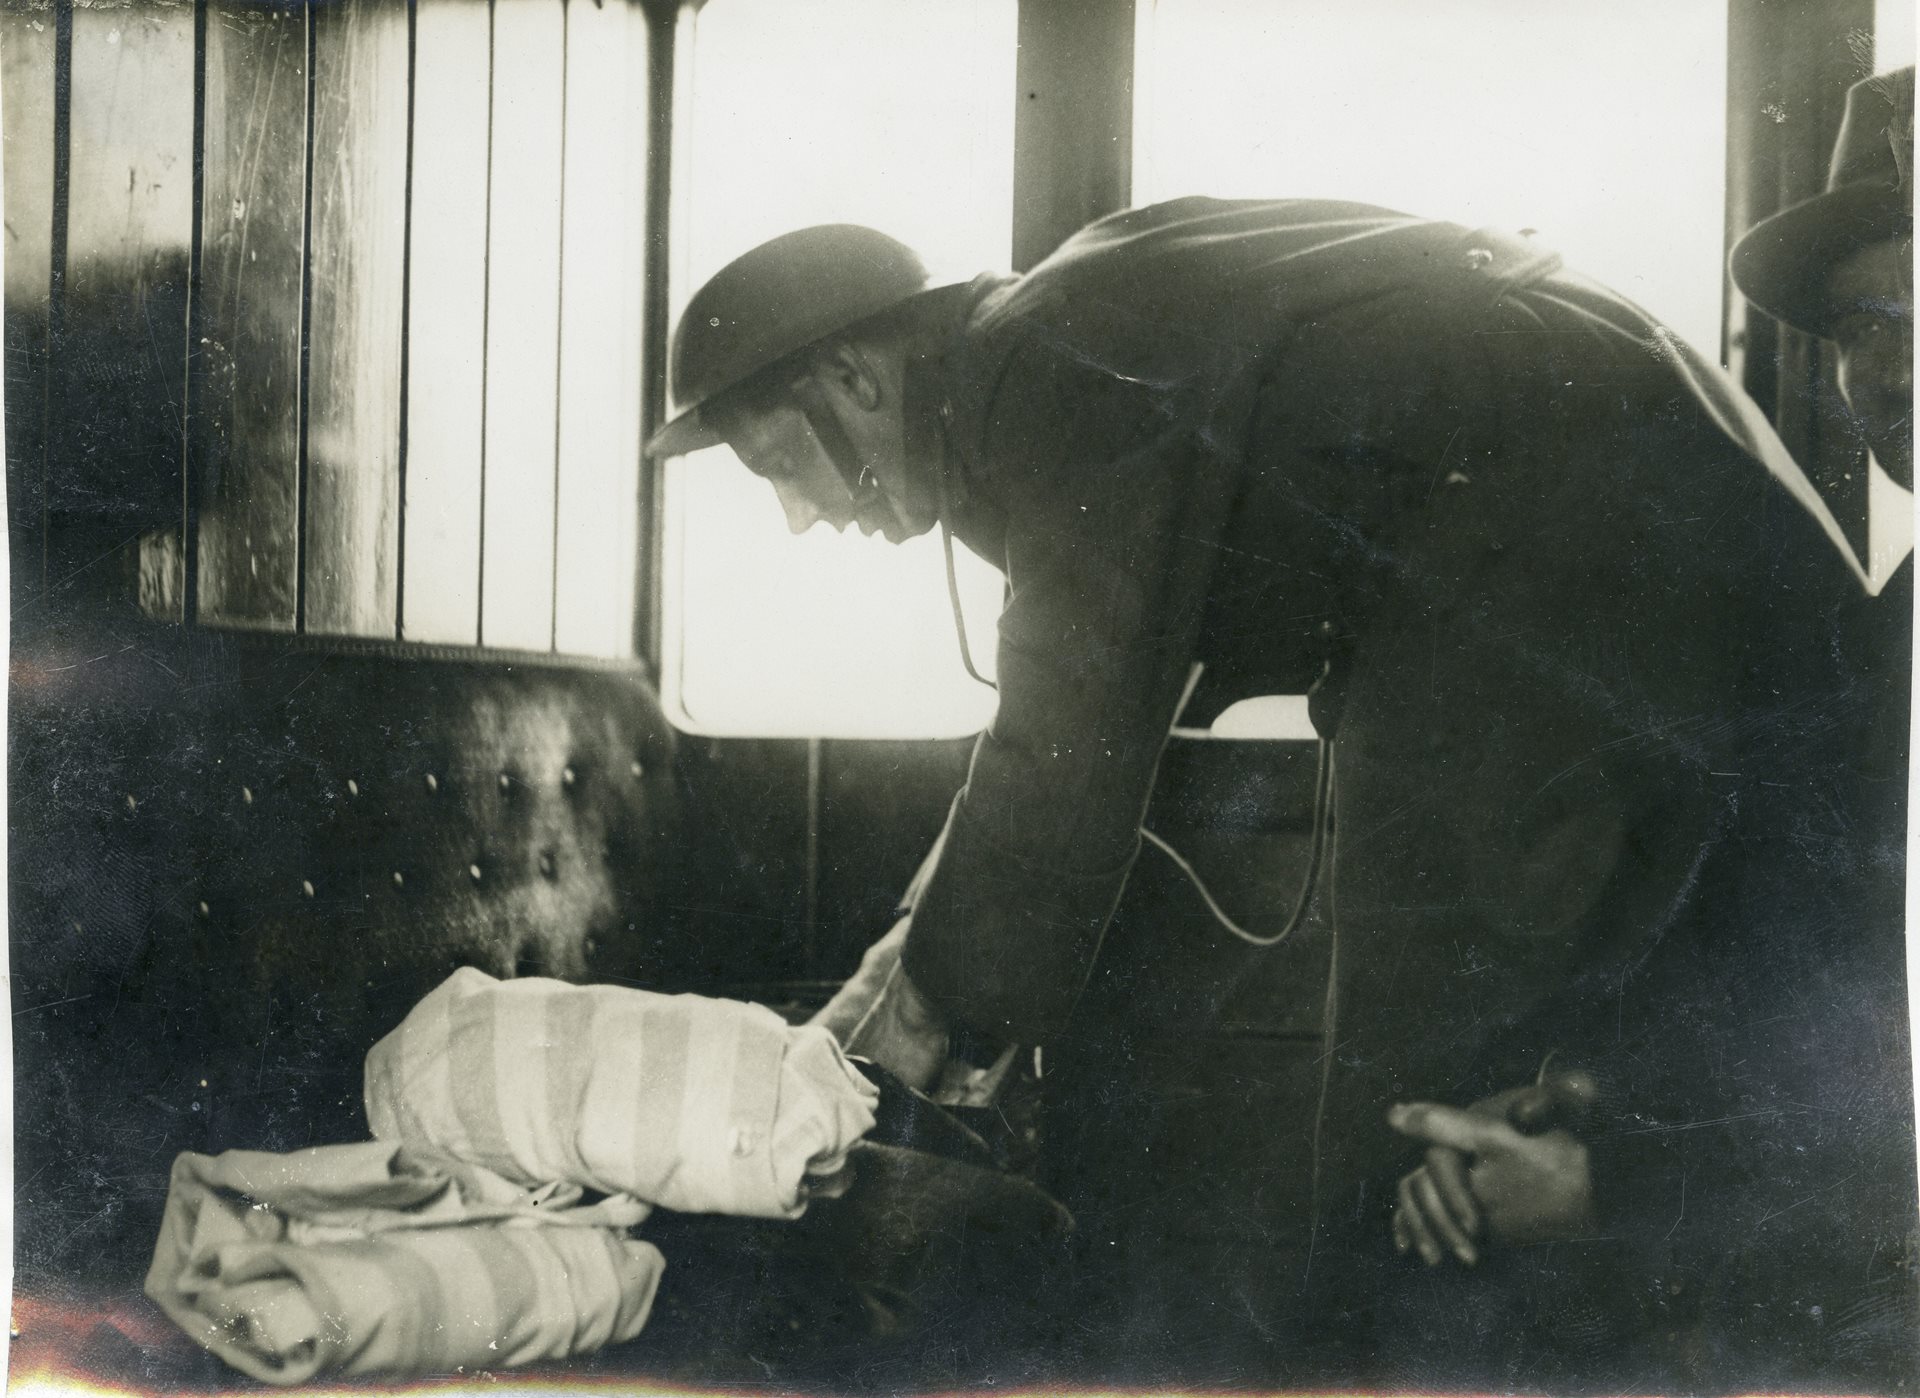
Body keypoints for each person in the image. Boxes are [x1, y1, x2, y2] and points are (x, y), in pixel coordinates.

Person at [646, 200, 1885, 1384]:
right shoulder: (1074, 321)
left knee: (1421, 1104)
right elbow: (1071, 730)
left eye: (786, 467)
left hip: (1558, 570)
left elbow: (1062, 748)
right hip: (1662, 547)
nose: (803, 518)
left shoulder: (1042, 374)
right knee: (1586, 1074)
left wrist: (905, 1039)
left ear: (858, 381)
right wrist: (910, 975)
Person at [1386, 66, 1916, 1389]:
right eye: (1863, 322)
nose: (1893, 369)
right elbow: (1825, 1021)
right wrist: (1596, 1115)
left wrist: (1623, 1190)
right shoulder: (1891, 629)